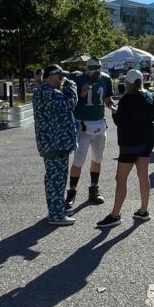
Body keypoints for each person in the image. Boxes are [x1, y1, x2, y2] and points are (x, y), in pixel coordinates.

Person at [96, 69, 154, 228]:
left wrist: (113, 110)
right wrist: (144, 117)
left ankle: (115, 215)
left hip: (130, 142)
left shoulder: (127, 98)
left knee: (121, 179)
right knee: (143, 175)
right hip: (147, 139)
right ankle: (143, 210)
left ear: (128, 83)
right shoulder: (148, 95)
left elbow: (120, 121)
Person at [65, 58, 114, 209]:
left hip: (99, 123)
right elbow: (70, 99)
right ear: (87, 68)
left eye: (98, 67)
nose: (96, 70)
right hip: (83, 124)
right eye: (93, 67)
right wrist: (81, 94)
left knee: (97, 160)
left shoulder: (105, 79)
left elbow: (107, 99)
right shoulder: (78, 78)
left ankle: (94, 189)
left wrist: (113, 106)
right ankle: (71, 193)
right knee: (78, 161)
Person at [33, 65, 79, 226]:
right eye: (59, 77)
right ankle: (57, 215)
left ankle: (55, 210)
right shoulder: (49, 93)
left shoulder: (43, 91)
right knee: (57, 180)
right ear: (51, 76)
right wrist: (72, 87)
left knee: (52, 179)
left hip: (51, 143)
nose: (61, 81)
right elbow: (70, 104)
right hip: (55, 143)